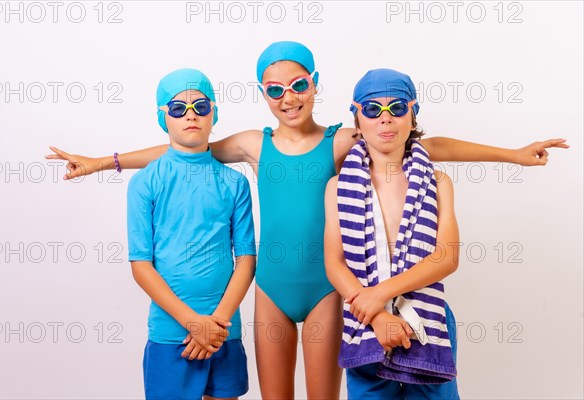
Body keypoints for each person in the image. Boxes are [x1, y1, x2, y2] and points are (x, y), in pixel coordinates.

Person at [47, 41, 568, 399]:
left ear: (315, 84)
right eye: (274, 90)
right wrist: (103, 162)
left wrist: (513, 155)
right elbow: (181, 146)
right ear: (262, 95)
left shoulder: (343, 139)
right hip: (271, 288)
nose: (288, 97)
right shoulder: (255, 144)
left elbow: (429, 144)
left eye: (297, 84)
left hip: (325, 289)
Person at [324, 68, 462, 399]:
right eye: (372, 109)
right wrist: (377, 315)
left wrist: (379, 295)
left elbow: (447, 257)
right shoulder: (337, 187)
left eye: (397, 108)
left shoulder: (438, 181)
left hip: (428, 320)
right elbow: (334, 263)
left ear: (412, 116)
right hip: (365, 321)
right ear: (357, 120)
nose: (385, 119)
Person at [128, 68, 256, 400]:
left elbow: (245, 259)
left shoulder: (234, 182)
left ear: (214, 113)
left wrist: (218, 322)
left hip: (223, 332)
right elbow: (141, 266)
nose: (190, 115)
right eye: (177, 108)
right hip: (171, 333)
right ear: (162, 116)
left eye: (200, 106)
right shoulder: (145, 182)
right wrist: (191, 322)